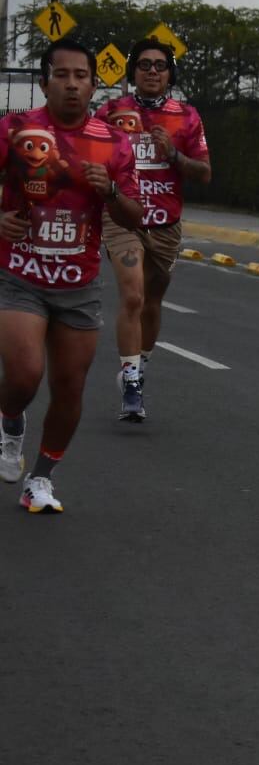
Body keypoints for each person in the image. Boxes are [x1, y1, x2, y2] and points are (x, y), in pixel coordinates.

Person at [0, 37, 143, 511]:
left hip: (78, 285)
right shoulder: (14, 129)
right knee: (24, 375)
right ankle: (9, 421)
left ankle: (40, 479)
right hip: (20, 274)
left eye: (81, 76)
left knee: (69, 389)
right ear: (44, 84)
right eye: (61, 75)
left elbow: (134, 216)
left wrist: (110, 193)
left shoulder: (113, 143)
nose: (71, 85)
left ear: (94, 85)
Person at [95, 38, 211, 421]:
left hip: (166, 225)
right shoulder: (110, 112)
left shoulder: (186, 116)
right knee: (132, 296)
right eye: (144, 65)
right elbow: (87, 156)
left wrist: (173, 155)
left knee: (152, 301)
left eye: (160, 65)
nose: (152, 72)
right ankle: (130, 385)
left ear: (170, 74)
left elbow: (205, 173)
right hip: (122, 217)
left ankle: (140, 366)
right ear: (133, 72)